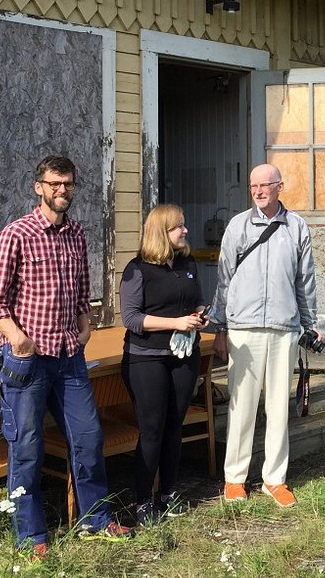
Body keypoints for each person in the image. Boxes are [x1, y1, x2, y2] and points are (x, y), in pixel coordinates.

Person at [0, 154, 133, 555]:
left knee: (88, 439)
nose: (61, 190)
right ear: (39, 187)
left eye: (67, 184)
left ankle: (96, 520)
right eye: (54, 184)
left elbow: (81, 288)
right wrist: (17, 338)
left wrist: (85, 321)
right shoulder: (15, 235)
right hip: (27, 363)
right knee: (27, 447)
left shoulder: (77, 233)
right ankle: (31, 538)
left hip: (69, 358)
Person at [208, 163, 321, 508]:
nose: (258, 191)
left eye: (265, 185)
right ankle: (235, 479)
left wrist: (310, 322)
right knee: (242, 407)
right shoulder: (238, 225)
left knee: (277, 408)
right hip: (243, 328)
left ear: (279, 187)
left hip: (283, 328)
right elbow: (224, 279)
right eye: (253, 186)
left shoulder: (297, 226)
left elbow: (305, 280)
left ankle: (275, 480)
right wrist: (220, 328)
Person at [119, 204, 208, 526]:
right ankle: (143, 500)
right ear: (162, 232)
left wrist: (199, 313)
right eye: (178, 227)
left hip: (184, 356)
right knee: (152, 429)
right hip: (146, 359)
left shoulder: (187, 263)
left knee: (174, 427)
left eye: (183, 225)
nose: (185, 230)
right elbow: (131, 318)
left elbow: (195, 299)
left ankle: (169, 493)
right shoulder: (137, 268)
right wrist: (176, 322)